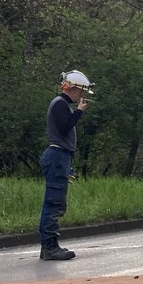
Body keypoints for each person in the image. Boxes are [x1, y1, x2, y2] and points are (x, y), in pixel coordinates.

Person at [38, 70, 93, 261]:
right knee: (54, 202)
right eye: (80, 91)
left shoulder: (61, 104)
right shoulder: (60, 104)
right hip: (57, 156)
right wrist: (79, 111)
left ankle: (49, 246)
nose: (81, 95)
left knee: (56, 202)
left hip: (60, 156)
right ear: (72, 88)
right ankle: (50, 247)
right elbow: (65, 127)